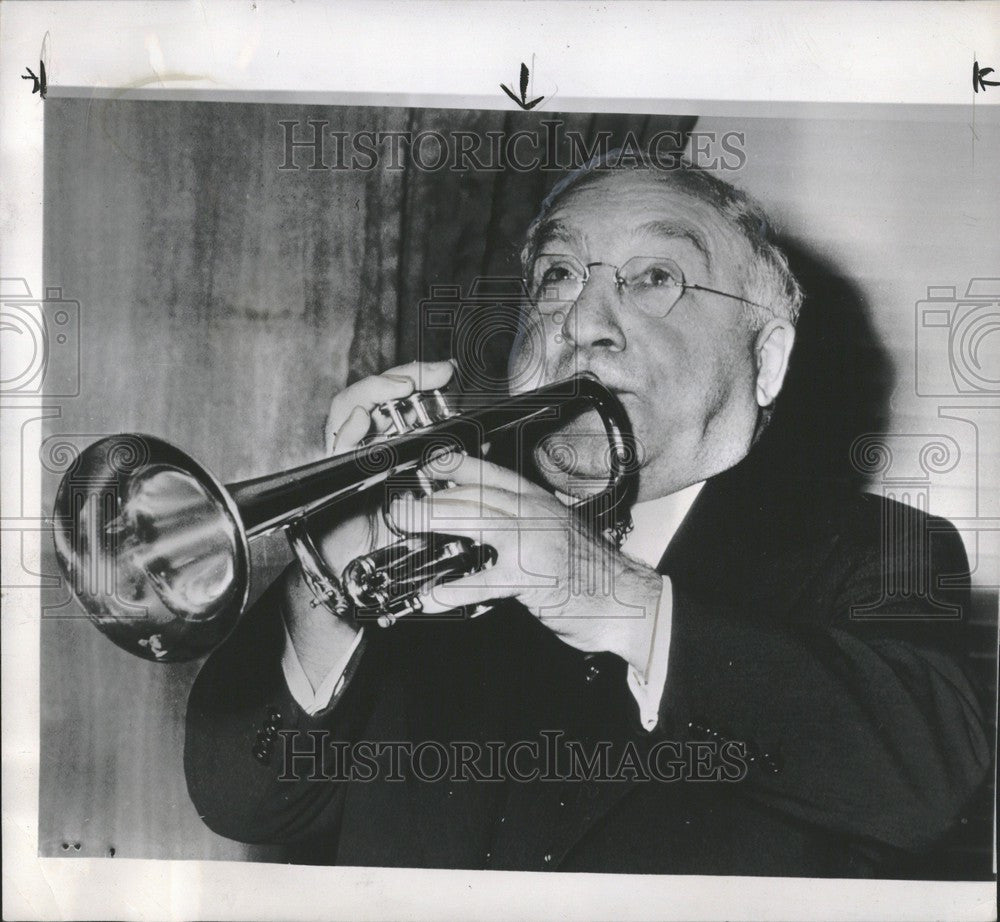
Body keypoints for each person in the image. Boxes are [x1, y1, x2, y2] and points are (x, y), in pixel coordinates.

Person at [184, 157, 991, 876]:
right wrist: (333, 580)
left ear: (767, 358)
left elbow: (931, 783)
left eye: (654, 278)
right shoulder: (428, 532)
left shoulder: (886, 549)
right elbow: (243, 799)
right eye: (558, 275)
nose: (583, 324)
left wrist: (608, 594)